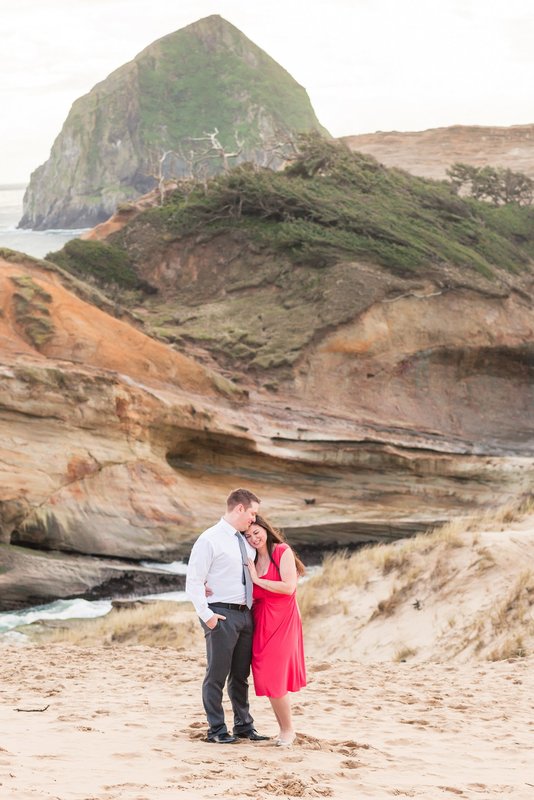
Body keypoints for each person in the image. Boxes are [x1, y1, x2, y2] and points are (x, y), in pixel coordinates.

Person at [185, 488, 269, 744]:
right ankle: (217, 730)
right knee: (217, 675)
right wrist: (208, 616)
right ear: (239, 508)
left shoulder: (245, 540)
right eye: (252, 513)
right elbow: (194, 581)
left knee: (241, 675)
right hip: (220, 614)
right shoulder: (209, 539)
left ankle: (244, 726)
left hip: (245, 615)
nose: (254, 519)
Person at [245, 514, 306, 747]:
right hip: (260, 621)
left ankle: (288, 730)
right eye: (248, 536)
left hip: (283, 618)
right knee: (266, 675)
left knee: (274, 675)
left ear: (266, 529)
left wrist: (257, 580)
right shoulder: (251, 558)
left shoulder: (282, 551)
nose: (254, 538)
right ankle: (283, 727)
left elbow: (288, 587)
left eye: (256, 532)